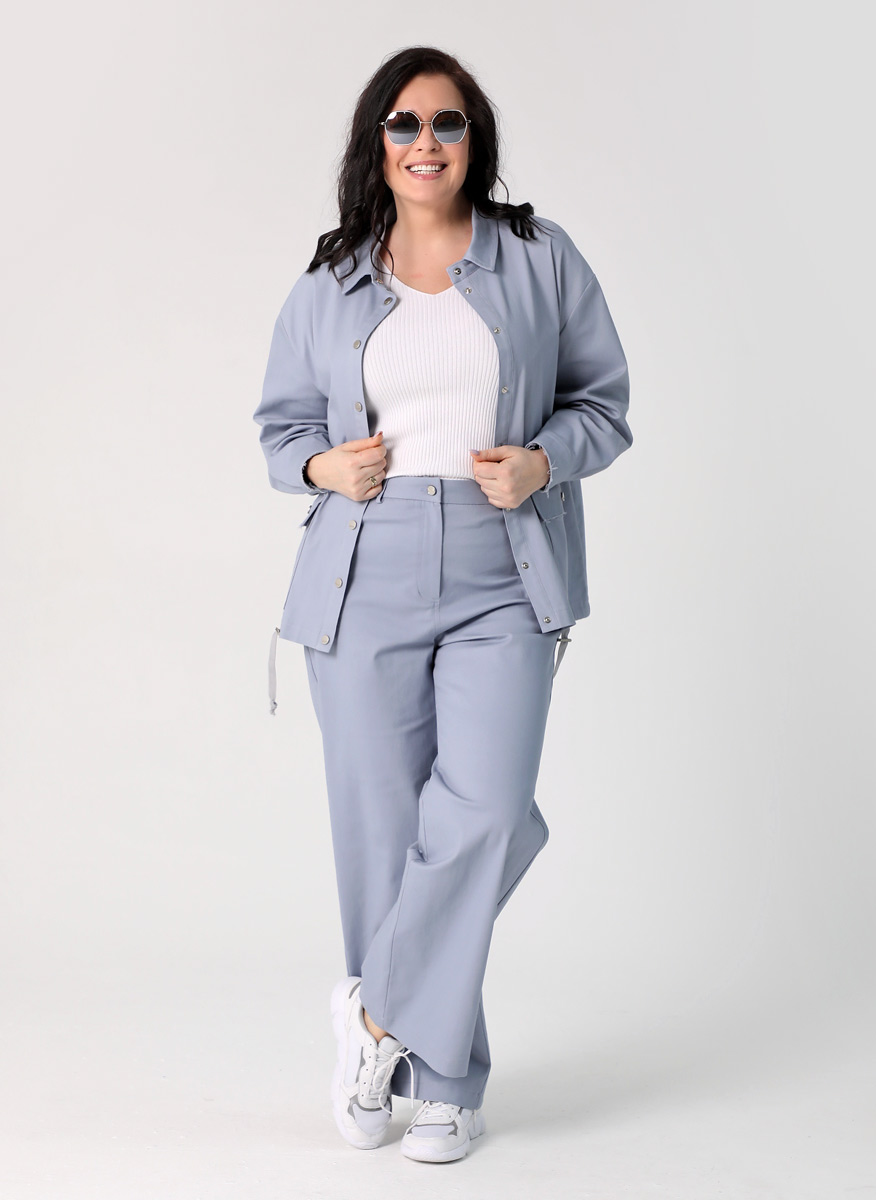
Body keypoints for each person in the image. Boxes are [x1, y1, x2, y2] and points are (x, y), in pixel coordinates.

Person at [252, 46, 632, 1164]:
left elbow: (604, 404)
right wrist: (324, 467)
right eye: (406, 124)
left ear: (475, 139)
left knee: (489, 811)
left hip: (501, 565)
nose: (427, 143)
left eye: (448, 123)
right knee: (385, 831)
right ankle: (447, 1081)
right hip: (362, 569)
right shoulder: (331, 281)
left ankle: (375, 1018)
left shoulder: (538, 258)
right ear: (378, 143)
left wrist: (544, 463)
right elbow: (280, 430)